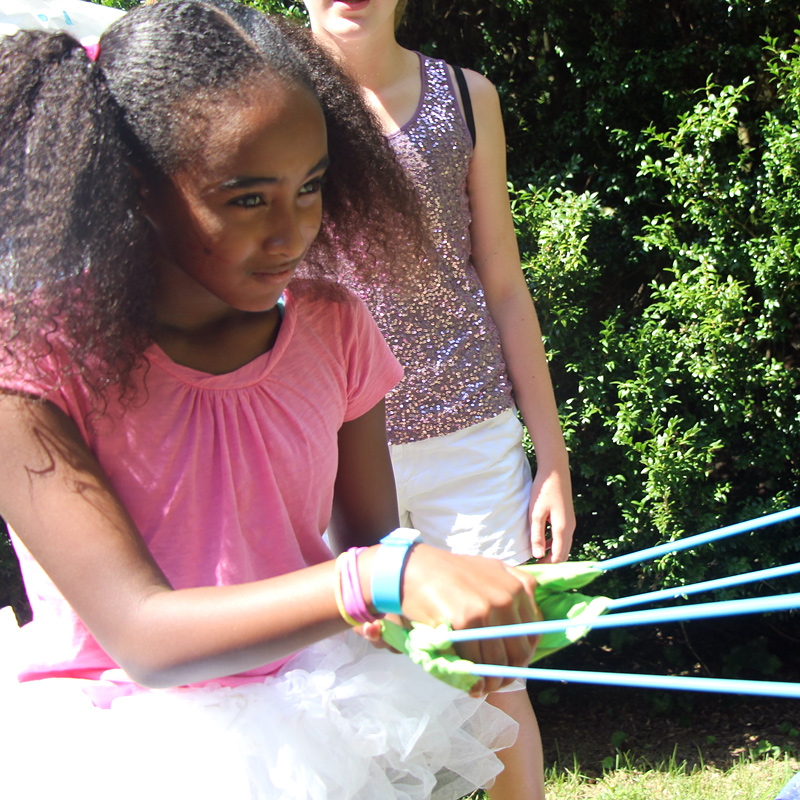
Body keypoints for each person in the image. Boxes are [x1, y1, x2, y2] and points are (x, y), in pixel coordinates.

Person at [0, 3, 542, 798]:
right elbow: (144, 637)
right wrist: (376, 582)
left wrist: (447, 627)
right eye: (248, 197)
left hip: (316, 722)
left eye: (311, 187)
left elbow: (376, 554)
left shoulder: (335, 329)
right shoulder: (32, 365)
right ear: (135, 189)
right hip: (120, 747)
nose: (292, 232)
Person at [300, 2, 577, 797]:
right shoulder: (276, 98)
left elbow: (503, 280)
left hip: (471, 441)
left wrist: (550, 458)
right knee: (336, 692)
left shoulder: (466, 96)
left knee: (500, 677)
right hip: (325, 448)